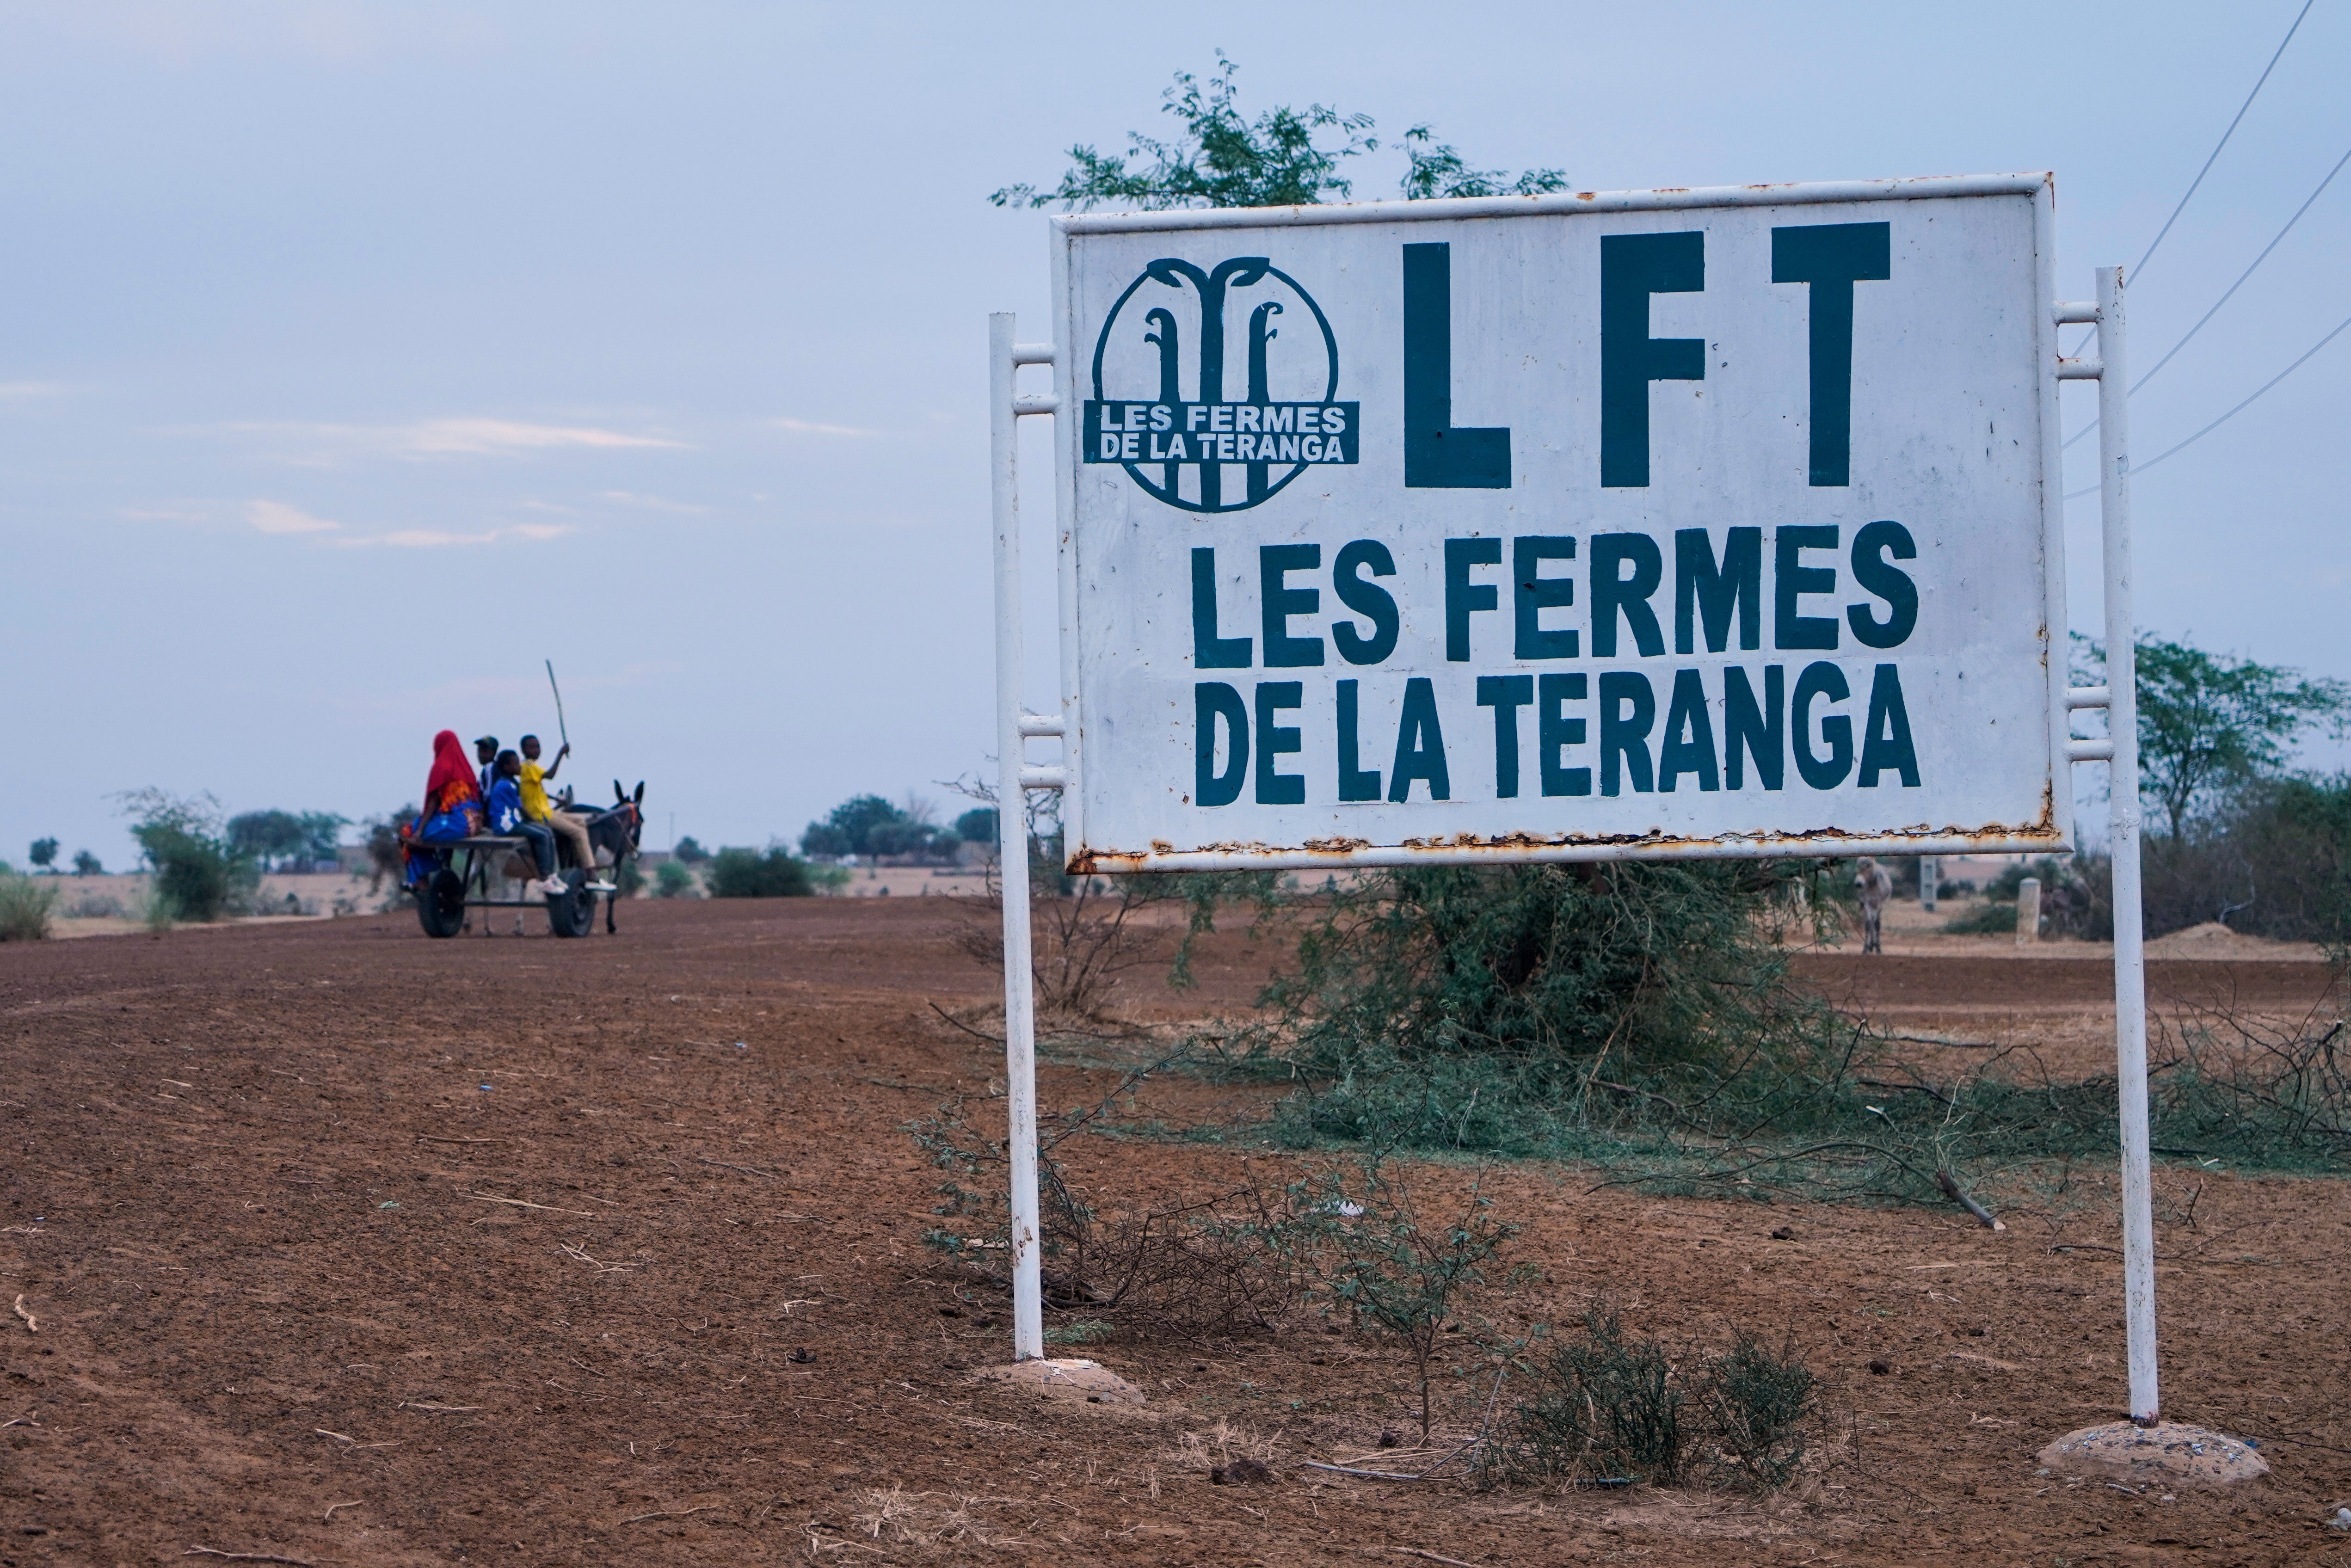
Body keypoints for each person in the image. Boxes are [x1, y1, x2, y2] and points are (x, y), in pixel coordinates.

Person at [520, 734, 611, 892]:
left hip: (547, 810)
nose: (536, 750)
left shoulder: (531, 768)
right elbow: (550, 775)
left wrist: (557, 799)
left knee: (582, 823)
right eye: (532, 747)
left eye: (538, 747)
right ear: (524, 750)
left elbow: (536, 790)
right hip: (541, 815)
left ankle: (581, 862)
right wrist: (561, 754)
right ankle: (590, 872)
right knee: (578, 832)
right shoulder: (529, 766)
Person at [486, 749, 565, 897]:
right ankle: (544, 878)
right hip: (506, 826)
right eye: (516, 764)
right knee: (542, 835)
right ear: (507, 768)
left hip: (513, 821)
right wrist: (535, 822)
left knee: (547, 832)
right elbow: (522, 810)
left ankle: (550, 875)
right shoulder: (507, 786)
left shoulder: (510, 782)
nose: (520, 766)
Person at [1854, 856, 1894, 955]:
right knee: (1868, 919)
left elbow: (1886, 892)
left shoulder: (1881, 877)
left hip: (1879, 899)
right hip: (1868, 898)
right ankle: (1869, 944)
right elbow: (1861, 892)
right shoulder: (1862, 881)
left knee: (1876, 919)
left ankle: (1876, 943)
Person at [474, 736, 500, 803]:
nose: (481, 755)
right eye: (479, 751)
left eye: (485, 751)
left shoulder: (489, 768)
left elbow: (488, 795)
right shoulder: (498, 768)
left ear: (494, 753)